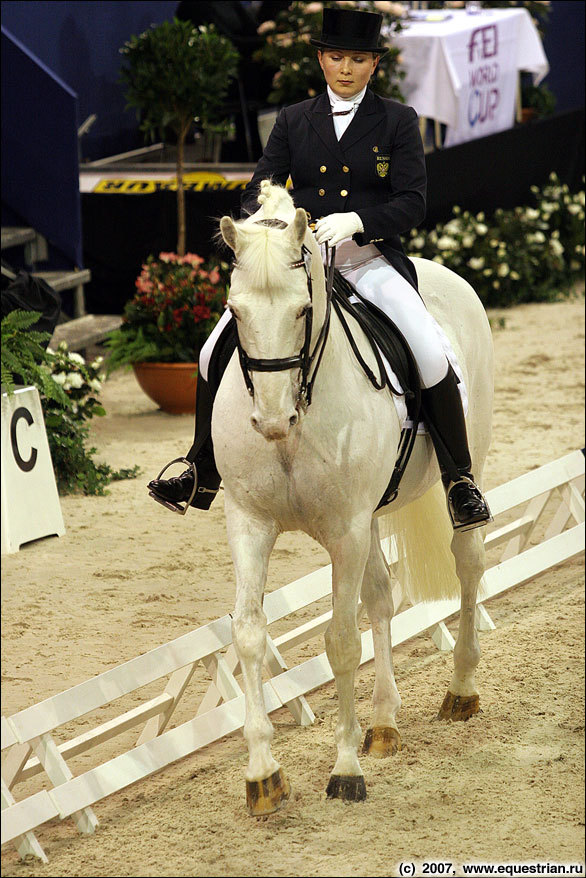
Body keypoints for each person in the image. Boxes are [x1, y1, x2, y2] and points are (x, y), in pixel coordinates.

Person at [148, 6, 491, 531]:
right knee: (213, 346)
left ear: (374, 63)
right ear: (321, 59)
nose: (346, 69)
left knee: (425, 346)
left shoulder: (398, 120)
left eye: (357, 59)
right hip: (299, 261)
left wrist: (359, 220)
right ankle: (201, 467)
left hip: (368, 259)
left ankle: (458, 479)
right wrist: (267, 218)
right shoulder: (293, 119)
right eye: (336, 58)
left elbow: (413, 203)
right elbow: (259, 185)